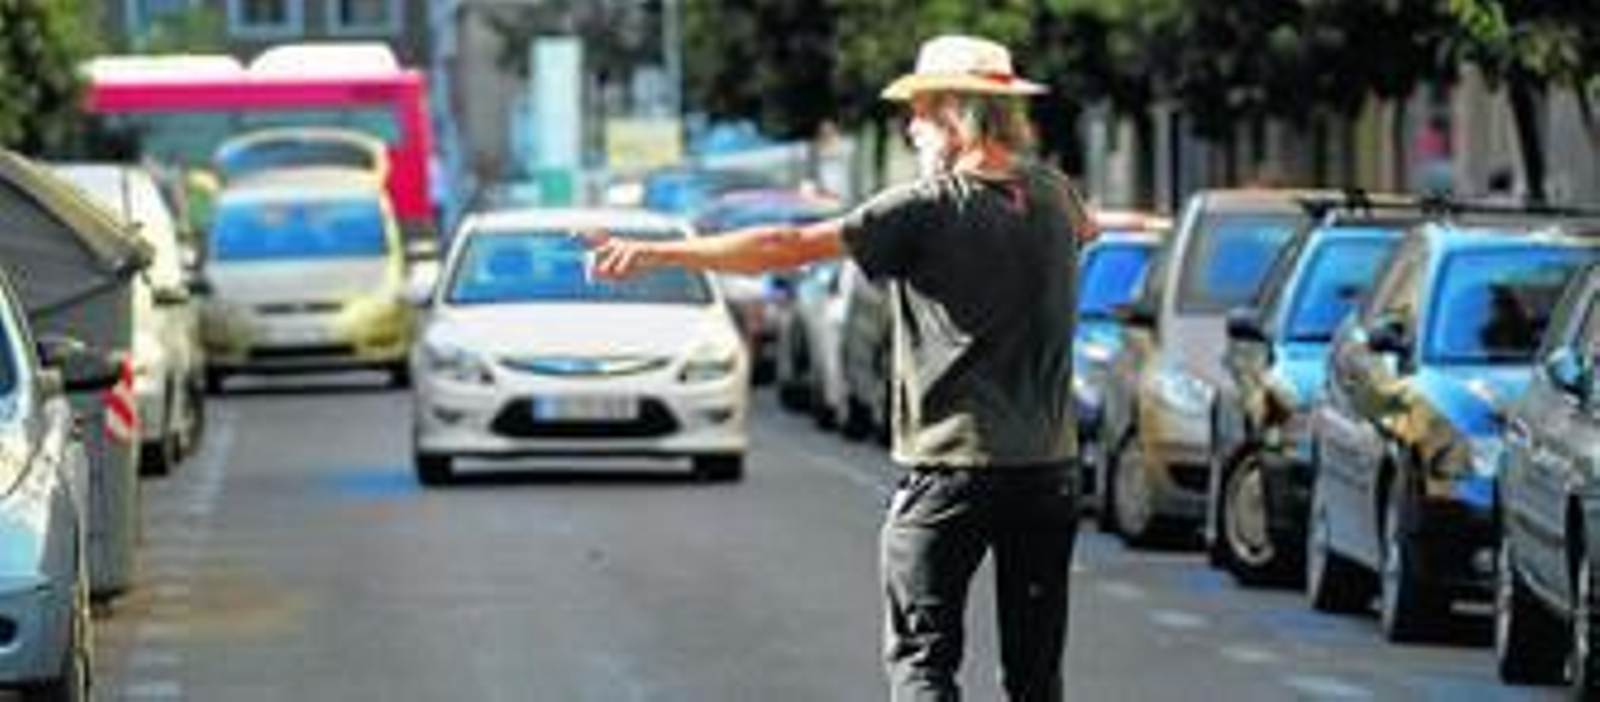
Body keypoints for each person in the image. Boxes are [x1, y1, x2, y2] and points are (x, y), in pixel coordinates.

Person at [586, 34, 1088, 702]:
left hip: (954, 473)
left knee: (923, 663)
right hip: (1047, 473)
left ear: (949, 114)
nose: (911, 131)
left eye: (916, 115)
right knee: (1035, 674)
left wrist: (659, 256)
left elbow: (786, 245)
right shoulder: (1055, 195)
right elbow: (1091, 230)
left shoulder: (926, 207)